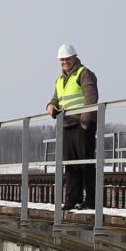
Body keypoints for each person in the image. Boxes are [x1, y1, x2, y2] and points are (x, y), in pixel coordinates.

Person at [46, 43, 98, 210]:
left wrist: (85, 121)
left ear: (75, 57)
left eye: (67, 59)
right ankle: (71, 200)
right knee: (71, 165)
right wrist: (50, 105)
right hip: (67, 126)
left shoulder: (85, 74)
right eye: (62, 60)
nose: (64, 62)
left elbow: (91, 96)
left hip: (82, 125)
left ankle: (90, 200)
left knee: (86, 163)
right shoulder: (60, 80)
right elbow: (56, 99)